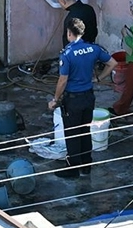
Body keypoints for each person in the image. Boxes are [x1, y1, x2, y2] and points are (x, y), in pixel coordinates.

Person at [48, 18, 117, 178]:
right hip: (89, 97)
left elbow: (63, 80)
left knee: (72, 134)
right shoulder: (93, 49)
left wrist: (55, 99)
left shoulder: (67, 54)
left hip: (73, 100)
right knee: (85, 130)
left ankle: (72, 169)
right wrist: (99, 78)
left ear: (69, 33)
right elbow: (113, 63)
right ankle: (86, 166)